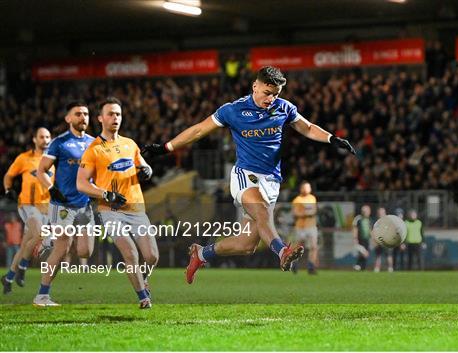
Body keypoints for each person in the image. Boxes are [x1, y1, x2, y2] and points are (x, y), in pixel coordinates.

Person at [142, 66, 355, 284]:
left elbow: (308, 128)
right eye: (267, 92)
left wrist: (332, 139)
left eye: (276, 94)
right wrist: (166, 147)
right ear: (255, 86)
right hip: (246, 175)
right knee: (262, 212)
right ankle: (282, 252)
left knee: (246, 245)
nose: (271, 98)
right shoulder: (233, 110)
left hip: (272, 181)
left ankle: (202, 253)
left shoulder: (284, 108)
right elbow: (198, 130)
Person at [77, 97, 158, 309]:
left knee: (152, 256)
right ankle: (143, 298)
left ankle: (144, 279)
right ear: (101, 118)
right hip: (110, 210)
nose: (115, 117)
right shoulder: (93, 149)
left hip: (136, 208)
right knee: (130, 252)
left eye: (118, 114)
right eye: (111, 114)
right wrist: (105, 194)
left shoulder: (130, 144)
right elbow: (81, 184)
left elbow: (143, 165)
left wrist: (147, 170)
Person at [32, 101, 95, 306]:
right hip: (63, 204)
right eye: (78, 114)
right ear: (68, 118)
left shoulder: (95, 143)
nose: (83, 117)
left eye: (85, 114)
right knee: (63, 249)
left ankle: (49, 240)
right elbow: (41, 171)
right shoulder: (59, 143)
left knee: (86, 251)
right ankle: (42, 295)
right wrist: (51, 188)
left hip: (85, 204)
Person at [1, 127, 52, 294]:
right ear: (34, 139)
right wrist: (8, 190)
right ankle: (23, 267)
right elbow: (9, 175)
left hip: (45, 208)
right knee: (39, 232)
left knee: (25, 245)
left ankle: (8, 277)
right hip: (28, 205)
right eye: (42, 137)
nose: (45, 140)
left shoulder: (52, 161)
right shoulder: (24, 158)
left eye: (47, 137)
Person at [291, 181, 318, 274]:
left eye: (308, 187)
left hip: (311, 226)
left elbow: (314, 211)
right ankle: (294, 263)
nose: (307, 189)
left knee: (313, 247)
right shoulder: (297, 200)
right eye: (306, 187)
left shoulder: (312, 198)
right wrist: (306, 214)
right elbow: (295, 213)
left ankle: (311, 266)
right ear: (301, 189)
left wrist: (306, 213)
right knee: (299, 247)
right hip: (300, 227)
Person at [352, 204, 372, 271]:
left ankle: (360, 267)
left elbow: (370, 230)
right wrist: (355, 238)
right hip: (360, 240)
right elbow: (355, 229)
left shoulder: (368, 220)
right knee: (364, 253)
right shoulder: (358, 218)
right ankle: (358, 265)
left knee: (365, 254)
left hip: (366, 240)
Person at [373, 207, 394, 272]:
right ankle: (376, 269)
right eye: (379, 213)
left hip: (386, 242)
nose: (380, 214)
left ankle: (390, 268)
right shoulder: (375, 222)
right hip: (378, 241)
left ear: (385, 213)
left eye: (382, 213)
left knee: (389, 255)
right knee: (378, 256)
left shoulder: (388, 222)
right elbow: (373, 232)